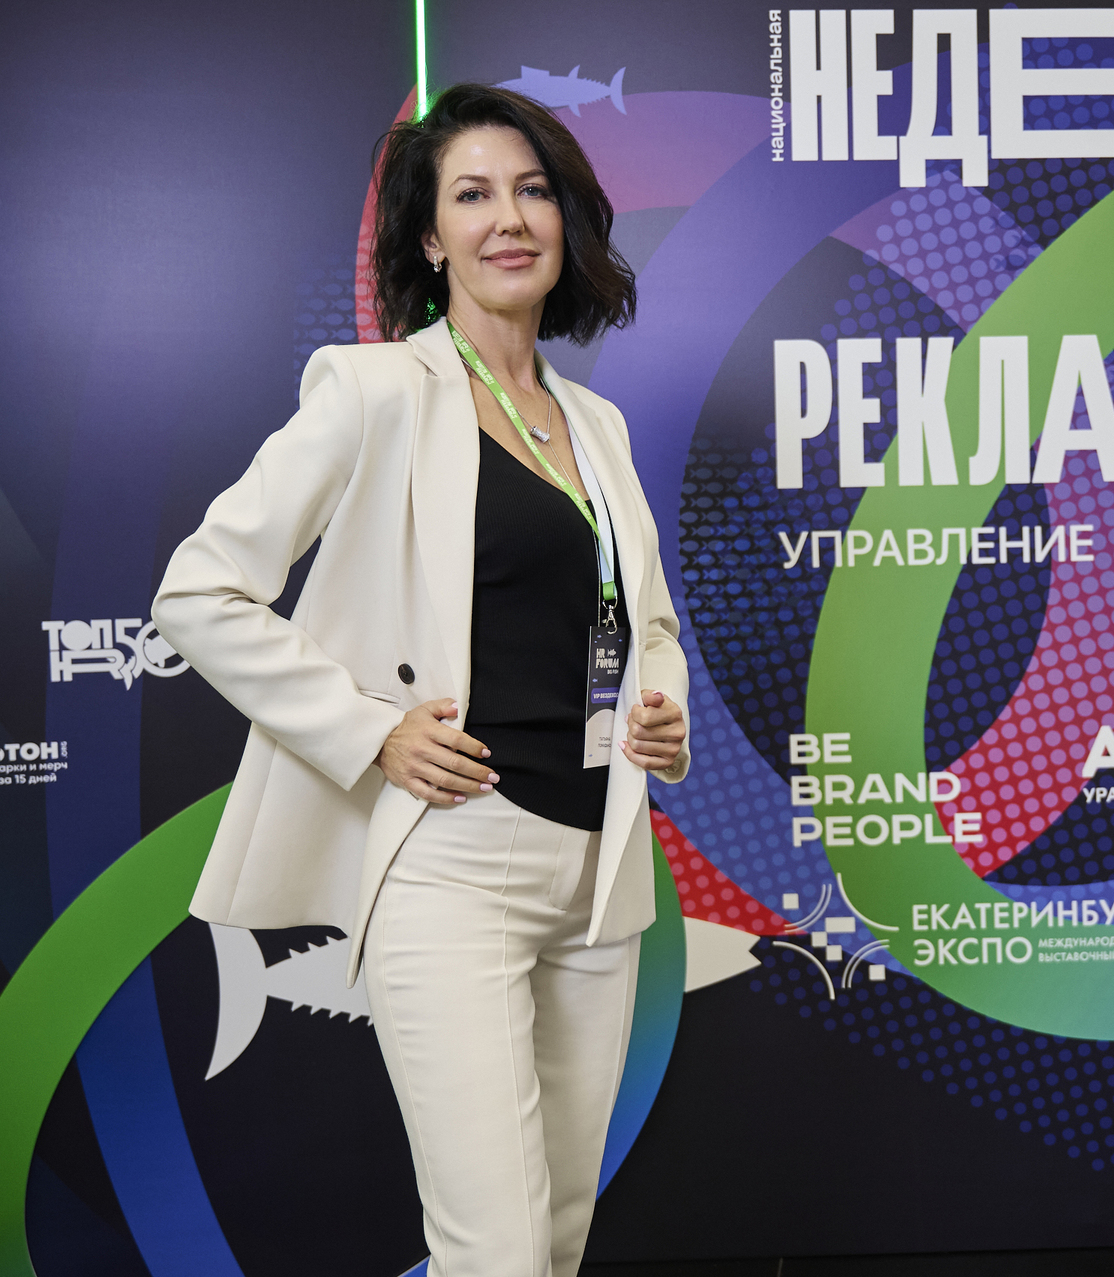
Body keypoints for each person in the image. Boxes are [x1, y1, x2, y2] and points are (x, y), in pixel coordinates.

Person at [152, 83, 688, 1277]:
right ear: (431, 237)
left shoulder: (597, 424)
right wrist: (369, 729)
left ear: (567, 222)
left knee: (555, 1237)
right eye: (473, 195)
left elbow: (644, 623)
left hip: (598, 865)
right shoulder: (375, 390)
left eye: (533, 190)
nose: (510, 218)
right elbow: (199, 590)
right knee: (495, 1249)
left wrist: (664, 709)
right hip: (453, 863)